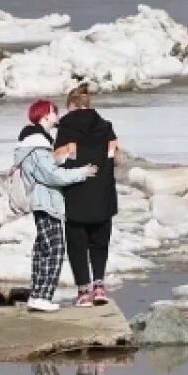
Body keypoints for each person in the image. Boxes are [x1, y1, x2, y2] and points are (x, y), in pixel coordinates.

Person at [14, 100, 97, 312]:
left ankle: (38, 295)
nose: (56, 116)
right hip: (46, 202)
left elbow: (47, 167)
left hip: (42, 202)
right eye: (54, 112)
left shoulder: (34, 143)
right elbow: (51, 175)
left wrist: (63, 158)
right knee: (55, 249)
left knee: (43, 249)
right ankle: (42, 296)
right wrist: (82, 173)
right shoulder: (37, 144)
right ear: (45, 116)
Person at [54, 84, 121, 307]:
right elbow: (117, 157)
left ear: (71, 106)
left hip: (76, 195)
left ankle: (83, 292)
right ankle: (99, 288)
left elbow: (57, 160)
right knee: (100, 244)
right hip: (103, 195)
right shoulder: (106, 128)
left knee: (77, 246)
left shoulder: (65, 129)